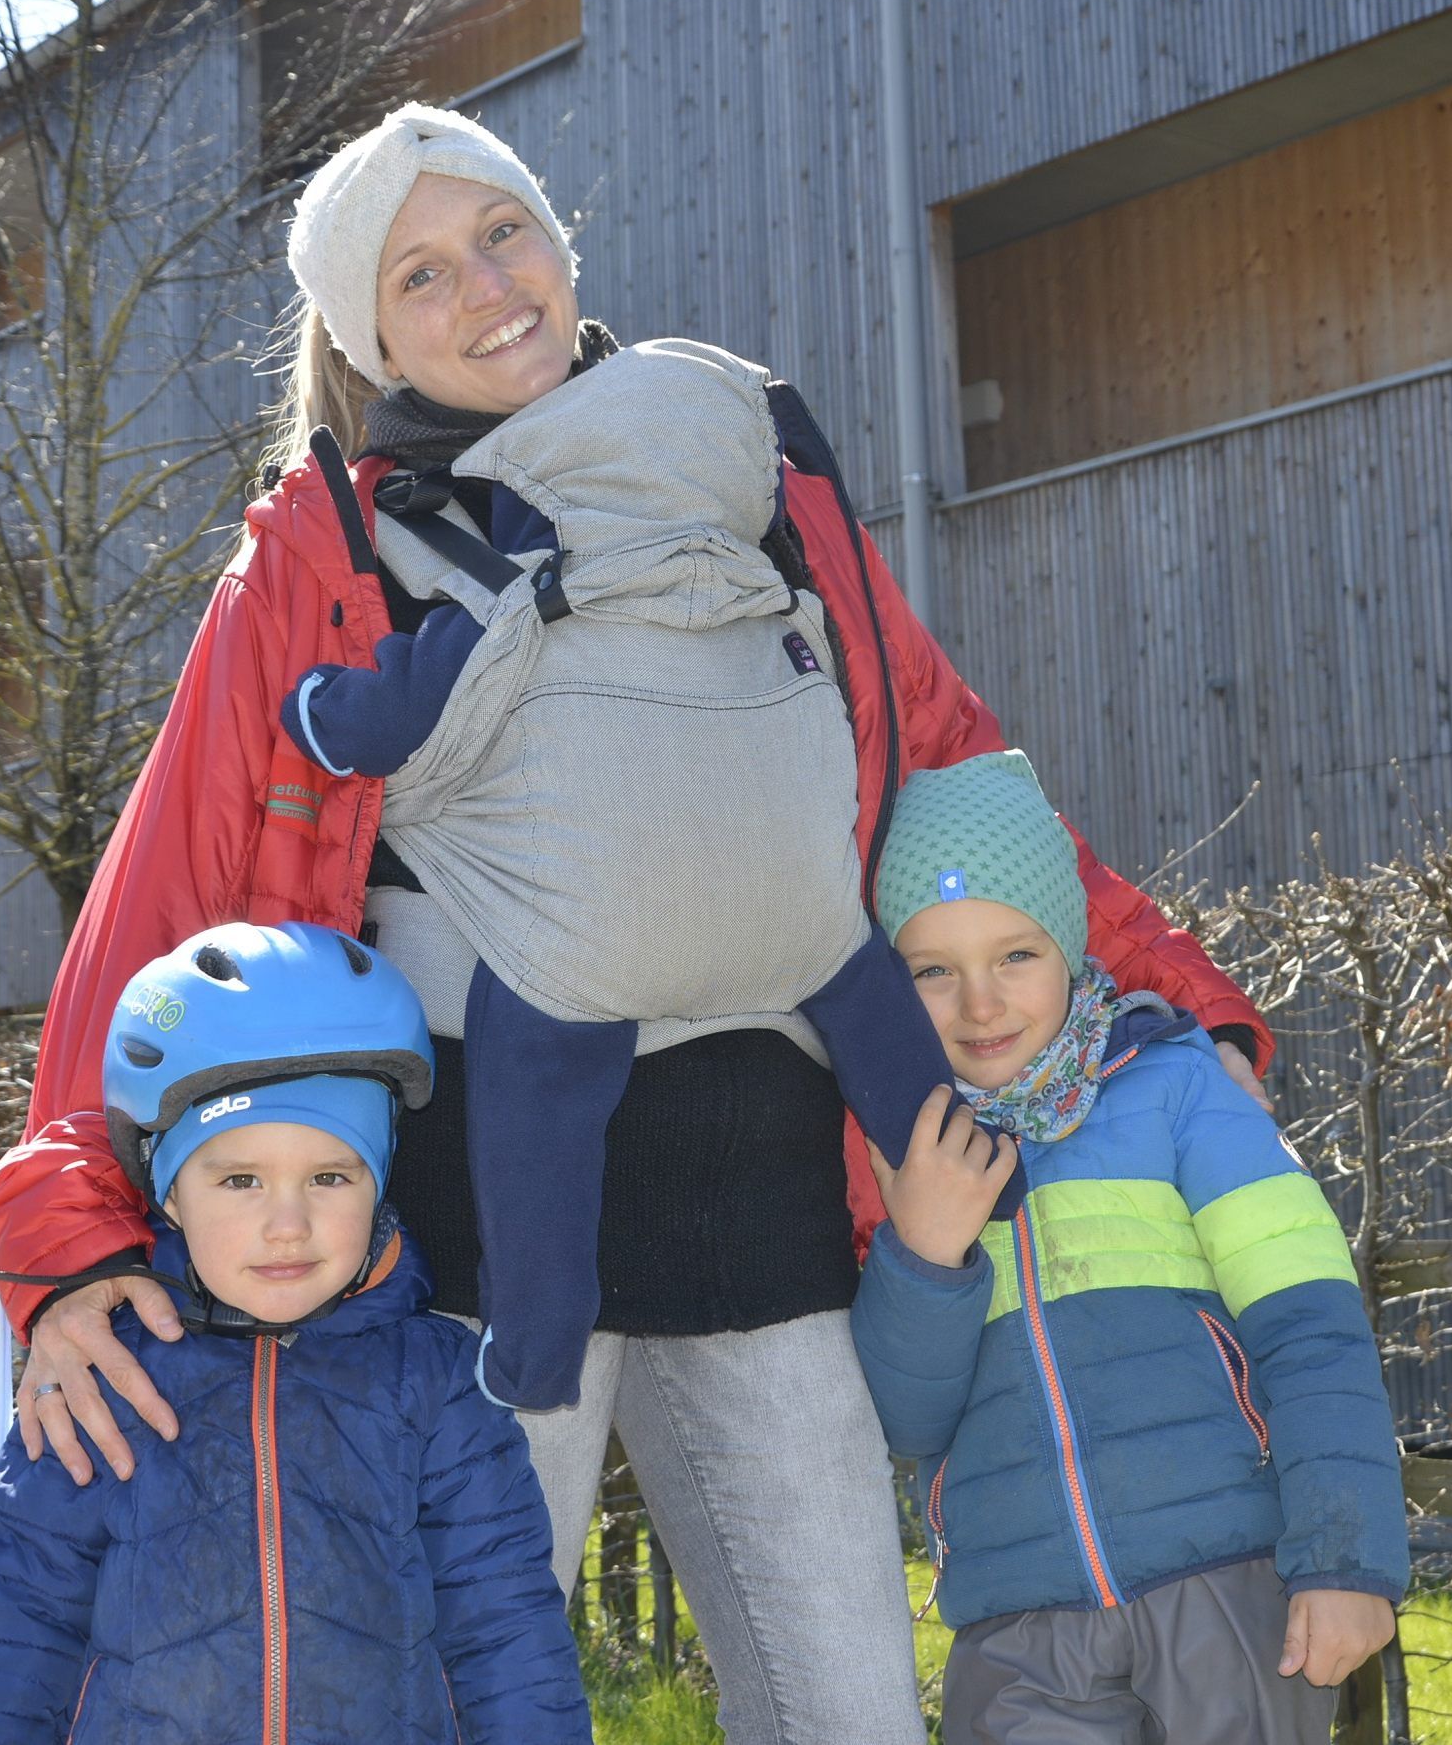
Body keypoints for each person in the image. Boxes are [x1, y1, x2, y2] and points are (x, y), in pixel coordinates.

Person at [0, 100, 1273, 1745]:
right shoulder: (326, 558)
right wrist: (71, 1228)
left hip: (769, 1213)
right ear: (375, 334)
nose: (484, 286)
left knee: (850, 1704)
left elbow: (951, 777)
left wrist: (1179, 1004)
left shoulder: (749, 480)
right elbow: (166, 904)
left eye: (501, 232)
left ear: (559, 233)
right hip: (476, 1240)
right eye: (423, 273)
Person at [276, 304, 966, 1413]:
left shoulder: (514, 577)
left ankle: (536, 1341)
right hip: (808, 944)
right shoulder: (784, 586)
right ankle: (989, 1169)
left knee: (536, 1108)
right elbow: (927, 746)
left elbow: (386, 717)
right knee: (875, 1013)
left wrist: (319, 703)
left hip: (591, 962)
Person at [850, 751, 1408, 1745]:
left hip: (1229, 1596)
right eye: (933, 970)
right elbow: (905, 1419)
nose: (979, 1004)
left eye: (1014, 955)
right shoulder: (904, 1152)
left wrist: (1343, 1560)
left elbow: (1312, 1332)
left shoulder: (1182, 1092)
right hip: (1017, 1631)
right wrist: (925, 1256)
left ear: (1069, 946)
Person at [0, 921, 588, 1744]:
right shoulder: (104, 1378)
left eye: (329, 1176)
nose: (288, 1223)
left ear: (378, 1182)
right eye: (239, 1178)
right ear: (168, 1196)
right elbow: (10, 1634)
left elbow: (506, 1631)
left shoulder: (439, 1384)